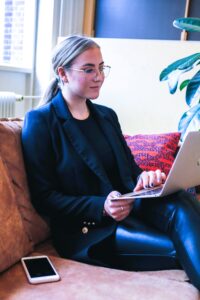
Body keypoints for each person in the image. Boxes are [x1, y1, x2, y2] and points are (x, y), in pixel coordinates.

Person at [21, 35, 200, 290]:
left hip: (131, 208)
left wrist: (144, 179)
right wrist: (102, 207)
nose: (99, 76)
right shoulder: (40, 122)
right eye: (88, 69)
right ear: (63, 72)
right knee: (182, 246)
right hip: (91, 230)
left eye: (101, 67)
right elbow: (44, 197)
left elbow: (131, 170)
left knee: (181, 199)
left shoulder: (106, 116)